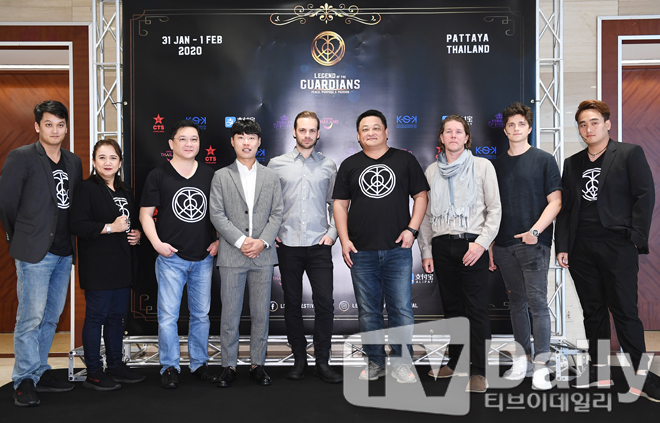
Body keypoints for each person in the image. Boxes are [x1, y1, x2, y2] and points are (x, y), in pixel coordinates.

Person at [555, 99, 660, 401]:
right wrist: (563, 245)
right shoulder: (572, 163)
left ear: (607, 124)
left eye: (594, 122)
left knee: (625, 311)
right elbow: (566, 209)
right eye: (583, 124)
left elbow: (644, 196)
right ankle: (599, 371)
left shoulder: (629, 153)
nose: (588, 128)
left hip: (618, 246)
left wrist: (635, 238)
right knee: (593, 312)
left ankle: (641, 376)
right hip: (582, 249)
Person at [333, 109, 429, 383]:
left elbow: (421, 196)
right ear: (358, 135)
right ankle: (375, 362)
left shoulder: (405, 160)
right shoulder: (349, 164)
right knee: (368, 311)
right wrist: (345, 240)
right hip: (361, 252)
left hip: (398, 250)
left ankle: (402, 363)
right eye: (365, 129)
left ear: (387, 132)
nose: (371, 132)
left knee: (401, 309)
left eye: (376, 127)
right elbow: (339, 204)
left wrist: (412, 230)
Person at [0, 100, 82, 407]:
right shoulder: (20, 157)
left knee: (50, 318)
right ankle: (23, 379)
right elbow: (6, 204)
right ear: (37, 126)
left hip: (64, 252)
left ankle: (39, 370)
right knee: (30, 318)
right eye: (49, 124)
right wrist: (22, 237)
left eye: (60, 125)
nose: (55, 130)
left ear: (66, 128)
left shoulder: (74, 161)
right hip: (34, 251)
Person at [419, 115, 501, 393]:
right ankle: (456, 362)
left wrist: (481, 243)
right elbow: (426, 216)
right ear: (441, 138)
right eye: (448, 131)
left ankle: (479, 371)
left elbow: (495, 209)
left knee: (476, 309)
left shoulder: (482, 166)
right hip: (442, 246)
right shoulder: (432, 171)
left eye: (459, 131)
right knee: (452, 309)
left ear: (467, 138)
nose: (453, 136)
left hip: (472, 244)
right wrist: (427, 250)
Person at [139, 120, 219, 389]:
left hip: (203, 258)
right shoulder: (158, 175)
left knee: (201, 316)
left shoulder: (210, 175)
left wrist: (219, 241)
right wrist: (156, 243)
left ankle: (199, 364)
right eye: (183, 139)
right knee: (168, 318)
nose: (189, 144)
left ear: (199, 144)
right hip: (170, 259)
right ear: (171, 143)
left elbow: (221, 213)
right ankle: (170, 367)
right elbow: (145, 215)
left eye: (194, 139)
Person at [489, 103, 562, 390]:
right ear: (505, 130)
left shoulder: (544, 160)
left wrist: (535, 231)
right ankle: (523, 360)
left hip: (533, 244)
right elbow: (491, 208)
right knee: (516, 304)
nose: (516, 128)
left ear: (529, 128)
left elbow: (556, 201)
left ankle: (542, 366)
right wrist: (491, 244)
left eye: (521, 124)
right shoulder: (495, 165)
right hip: (503, 245)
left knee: (538, 303)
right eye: (511, 125)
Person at [267, 111, 341, 383]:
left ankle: (322, 362)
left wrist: (332, 234)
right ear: (294, 132)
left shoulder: (329, 166)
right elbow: (268, 204)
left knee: (325, 304)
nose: (307, 135)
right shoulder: (276, 165)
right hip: (288, 245)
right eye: (302, 130)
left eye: (312, 130)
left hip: (319, 245)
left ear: (318, 133)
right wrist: (272, 232)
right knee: (292, 305)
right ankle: (299, 360)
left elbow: (337, 204)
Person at [210, 119, 283, 387]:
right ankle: (228, 365)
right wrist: (241, 241)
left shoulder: (271, 176)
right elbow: (216, 214)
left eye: (251, 137)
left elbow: (277, 213)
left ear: (259, 142)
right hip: (232, 255)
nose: (246, 142)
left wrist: (262, 242)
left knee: (261, 314)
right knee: (229, 314)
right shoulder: (221, 176)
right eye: (240, 137)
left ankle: (257, 365)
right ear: (233, 142)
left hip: (263, 256)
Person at [69, 139, 145, 391]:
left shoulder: (126, 191)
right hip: (98, 266)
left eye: (113, 157)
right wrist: (110, 227)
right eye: (101, 157)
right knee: (96, 318)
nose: (107, 162)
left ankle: (115, 366)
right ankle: (93, 371)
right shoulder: (86, 189)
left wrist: (137, 234)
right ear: (93, 161)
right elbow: (77, 225)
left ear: (120, 162)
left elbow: (132, 224)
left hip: (122, 265)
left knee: (115, 319)